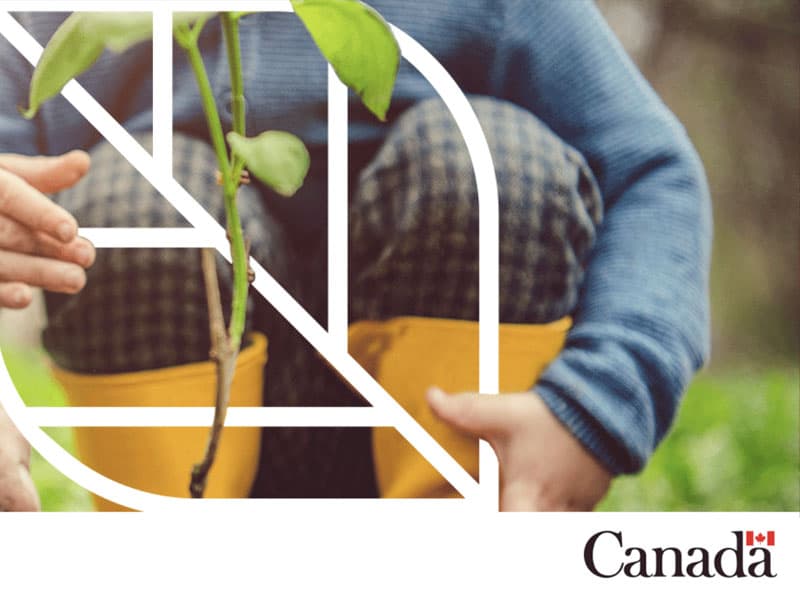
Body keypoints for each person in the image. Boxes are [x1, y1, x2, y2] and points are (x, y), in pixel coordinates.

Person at [0, 0, 711, 511]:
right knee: (147, 194)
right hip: (185, 425)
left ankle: (462, 560)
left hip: (451, 429)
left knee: (488, 163)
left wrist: (593, 407)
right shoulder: (54, 19)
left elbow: (650, 171)